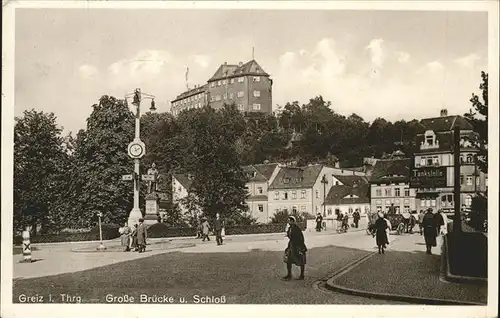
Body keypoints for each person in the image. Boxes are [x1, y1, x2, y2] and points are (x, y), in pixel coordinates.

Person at [282, 216, 307, 280]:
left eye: (289, 221)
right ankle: (289, 275)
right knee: (288, 260)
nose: (288, 222)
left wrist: (300, 247)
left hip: (298, 246)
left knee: (301, 260)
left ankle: (302, 275)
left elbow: (301, 238)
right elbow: (290, 237)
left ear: (293, 221)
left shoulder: (296, 228)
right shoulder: (290, 228)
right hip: (292, 246)